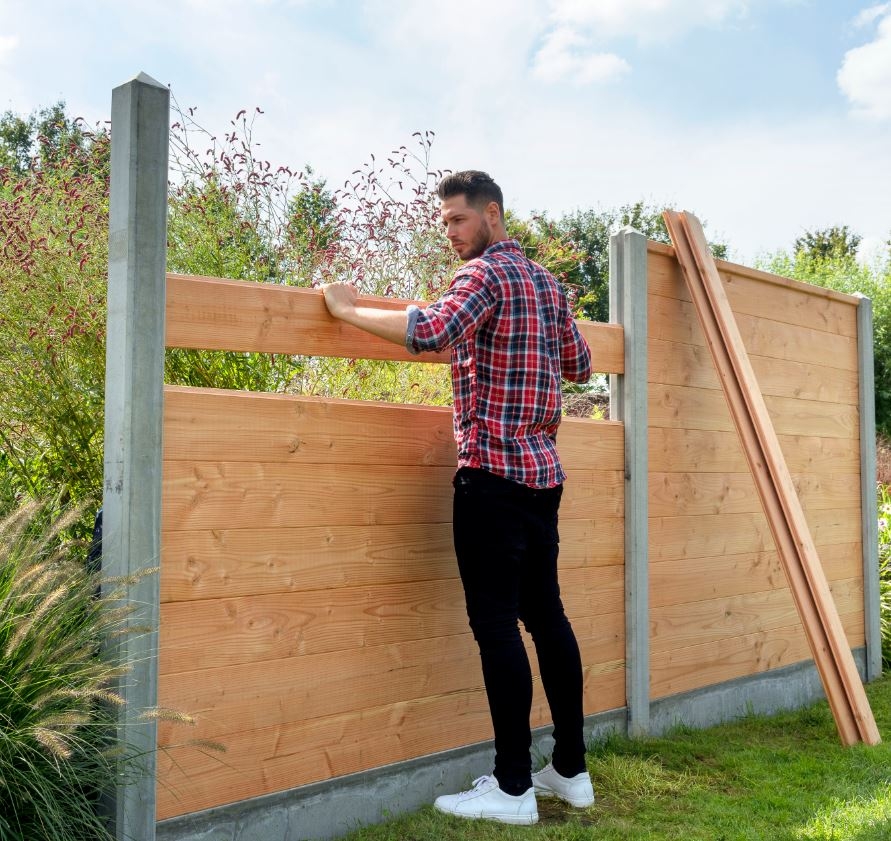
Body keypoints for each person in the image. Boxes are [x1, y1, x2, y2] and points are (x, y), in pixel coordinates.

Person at [322, 170, 595, 826]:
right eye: (444, 222)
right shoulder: (547, 285)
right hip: (541, 475)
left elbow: (431, 332)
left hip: (490, 482)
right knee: (547, 617)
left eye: (455, 221)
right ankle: (569, 769)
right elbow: (581, 364)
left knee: (498, 626)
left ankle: (510, 788)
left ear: (491, 214)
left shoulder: (482, 277)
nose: (448, 233)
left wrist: (346, 309)